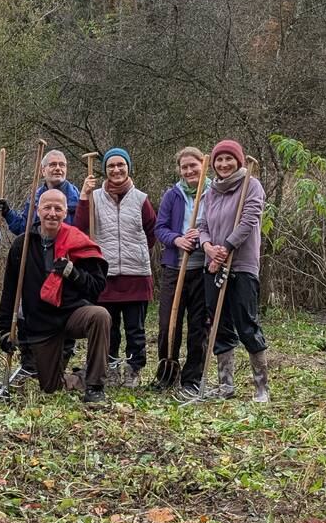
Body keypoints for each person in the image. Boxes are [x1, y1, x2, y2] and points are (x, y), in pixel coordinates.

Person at [0, 189, 110, 402]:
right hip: (41, 322)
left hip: (72, 313)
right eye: (47, 207)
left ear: (65, 211)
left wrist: (73, 273)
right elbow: (10, 291)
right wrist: (5, 329)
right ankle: (79, 377)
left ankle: (95, 386)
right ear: (38, 210)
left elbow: (96, 287)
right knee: (50, 387)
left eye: (58, 208)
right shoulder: (22, 245)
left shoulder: (77, 240)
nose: (52, 213)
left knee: (99, 315)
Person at [76, 147, 156, 388]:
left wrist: (135, 251)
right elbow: (80, 229)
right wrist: (83, 196)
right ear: (105, 170)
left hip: (136, 275)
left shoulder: (141, 199)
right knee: (109, 330)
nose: (116, 169)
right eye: (111, 166)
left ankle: (133, 371)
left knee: (136, 330)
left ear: (128, 167)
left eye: (121, 164)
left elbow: (151, 233)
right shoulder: (94, 197)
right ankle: (109, 370)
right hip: (105, 277)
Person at [197, 139, 269, 402]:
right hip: (213, 264)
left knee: (246, 323)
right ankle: (225, 385)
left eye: (229, 159)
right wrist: (208, 248)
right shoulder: (211, 191)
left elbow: (250, 219)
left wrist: (226, 248)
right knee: (218, 324)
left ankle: (262, 388)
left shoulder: (251, 185)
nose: (223, 164)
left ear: (238, 161)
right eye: (219, 159)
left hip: (241, 265)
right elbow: (203, 224)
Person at [154, 147, 211, 395]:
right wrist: (178, 240)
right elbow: (160, 228)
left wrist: (202, 237)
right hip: (175, 268)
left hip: (204, 269)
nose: (189, 170)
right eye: (184, 167)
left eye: (193, 165)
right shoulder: (172, 195)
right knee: (169, 324)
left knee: (198, 325)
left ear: (203, 165)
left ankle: (192, 378)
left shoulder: (214, 193)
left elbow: (219, 226)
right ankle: (167, 373)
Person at [0, 149, 81, 235]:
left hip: (67, 248)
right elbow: (24, 229)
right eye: (53, 165)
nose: (58, 168)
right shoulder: (35, 198)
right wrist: (7, 212)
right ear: (43, 171)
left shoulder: (78, 200)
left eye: (62, 165)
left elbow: (83, 231)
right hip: (40, 249)